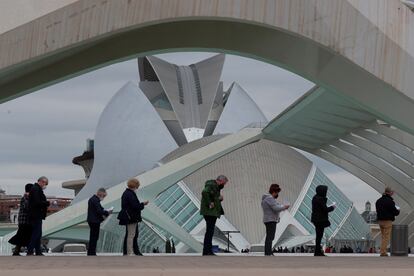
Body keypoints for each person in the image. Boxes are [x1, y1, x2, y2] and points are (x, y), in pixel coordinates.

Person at [117, 178, 148, 256]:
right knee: (131, 235)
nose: (137, 188)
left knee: (130, 234)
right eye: (137, 186)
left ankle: (128, 252)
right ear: (135, 185)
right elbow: (135, 206)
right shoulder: (130, 194)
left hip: (129, 216)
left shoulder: (126, 193)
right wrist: (143, 204)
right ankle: (129, 252)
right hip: (131, 217)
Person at [200, 175, 228, 256]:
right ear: (220, 181)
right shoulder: (212, 185)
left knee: (210, 231)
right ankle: (206, 251)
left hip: (211, 212)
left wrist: (219, 198)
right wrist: (210, 203)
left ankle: (208, 250)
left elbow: (213, 196)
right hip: (210, 212)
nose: (224, 185)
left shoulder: (215, 187)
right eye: (224, 183)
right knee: (209, 231)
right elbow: (204, 192)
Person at [261, 183, 289, 256]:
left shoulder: (266, 199)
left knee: (270, 236)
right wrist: (284, 207)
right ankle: (268, 252)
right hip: (270, 220)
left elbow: (274, 208)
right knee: (270, 236)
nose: (277, 194)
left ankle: (268, 251)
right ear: (274, 191)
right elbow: (276, 208)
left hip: (268, 219)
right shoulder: (269, 198)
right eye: (277, 192)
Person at [27, 176, 50, 256]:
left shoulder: (35, 189)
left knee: (38, 233)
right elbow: (37, 202)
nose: (45, 185)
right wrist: (47, 203)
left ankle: (38, 251)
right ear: (41, 181)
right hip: (36, 214)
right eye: (45, 183)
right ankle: (30, 250)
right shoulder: (36, 189)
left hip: (35, 214)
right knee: (36, 233)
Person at [8, 183, 33, 256]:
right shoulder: (26, 197)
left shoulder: (26, 197)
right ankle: (19, 250)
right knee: (22, 235)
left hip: (24, 220)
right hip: (24, 221)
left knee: (24, 235)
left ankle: (17, 251)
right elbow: (27, 207)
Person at [311, 185, 335, 257]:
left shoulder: (315, 198)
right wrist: (332, 207)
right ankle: (317, 252)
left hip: (315, 219)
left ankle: (317, 251)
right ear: (322, 191)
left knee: (318, 236)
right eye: (325, 191)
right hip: (320, 220)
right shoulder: (321, 199)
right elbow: (325, 210)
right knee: (319, 236)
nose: (326, 192)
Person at [375, 187, 400, 257]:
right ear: (390, 193)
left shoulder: (378, 201)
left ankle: (383, 250)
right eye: (392, 192)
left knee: (383, 236)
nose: (393, 193)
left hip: (380, 221)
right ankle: (383, 252)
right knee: (386, 237)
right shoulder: (390, 201)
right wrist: (398, 211)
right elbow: (395, 212)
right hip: (387, 221)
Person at [87, 188, 112, 256]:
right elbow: (99, 211)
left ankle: (91, 252)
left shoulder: (93, 199)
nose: (103, 197)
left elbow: (100, 208)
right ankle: (92, 253)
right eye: (103, 196)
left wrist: (105, 211)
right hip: (94, 221)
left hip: (92, 220)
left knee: (93, 237)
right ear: (100, 193)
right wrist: (107, 212)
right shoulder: (95, 200)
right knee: (94, 237)